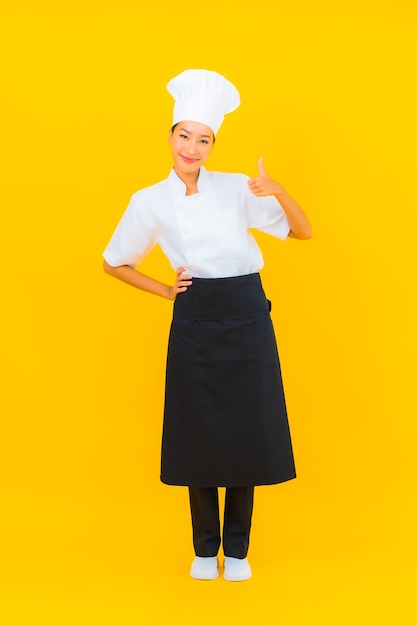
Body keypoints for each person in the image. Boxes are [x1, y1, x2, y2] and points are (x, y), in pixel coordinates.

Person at [102, 69, 312, 582]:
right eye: (184, 135)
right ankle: (203, 548)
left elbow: (303, 231)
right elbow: (114, 261)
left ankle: (237, 551)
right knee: (199, 430)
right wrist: (167, 290)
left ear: (213, 144)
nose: (192, 148)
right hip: (196, 319)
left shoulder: (240, 187)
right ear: (170, 136)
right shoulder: (148, 200)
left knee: (246, 430)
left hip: (246, 311)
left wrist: (279, 191)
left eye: (204, 139)